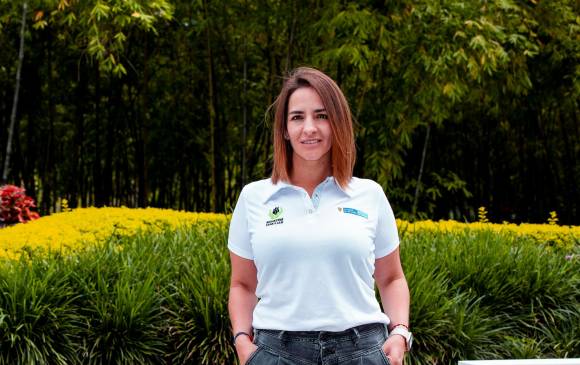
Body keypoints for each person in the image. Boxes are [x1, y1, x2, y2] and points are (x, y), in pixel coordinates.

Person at [228, 67, 411, 365]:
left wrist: (400, 333)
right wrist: (242, 343)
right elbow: (242, 285)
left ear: (337, 123)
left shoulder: (369, 194)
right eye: (297, 117)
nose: (309, 128)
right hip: (276, 352)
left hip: (362, 352)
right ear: (285, 129)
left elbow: (391, 278)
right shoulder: (254, 198)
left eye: (322, 116)